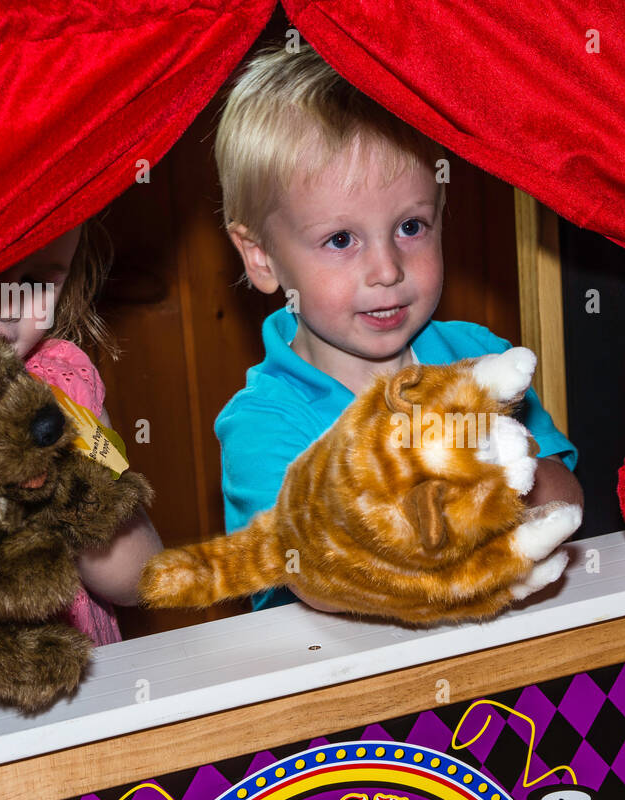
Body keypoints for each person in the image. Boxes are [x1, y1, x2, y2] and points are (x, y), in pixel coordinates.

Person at [213, 43, 583, 612]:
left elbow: (565, 503)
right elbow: (315, 577)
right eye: (341, 240)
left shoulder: (480, 357)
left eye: (411, 226)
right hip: (351, 690)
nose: (387, 269)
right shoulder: (263, 422)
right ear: (261, 257)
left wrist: (500, 457)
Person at [0, 221, 164, 642]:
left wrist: (66, 487)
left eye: (34, 281)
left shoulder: (63, 385)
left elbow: (137, 578)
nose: (7, 308)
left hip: (83, 683)